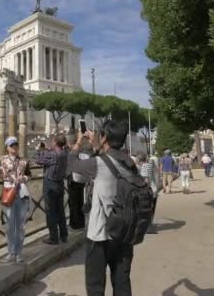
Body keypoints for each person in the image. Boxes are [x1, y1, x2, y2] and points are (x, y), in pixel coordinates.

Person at [68, 120, 137, 296]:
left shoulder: (97, 164)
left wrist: (78, 142)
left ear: (105, 137)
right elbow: (110, 158)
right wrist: (97, 145)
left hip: (100, 234)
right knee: (122, 283)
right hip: (124, 232)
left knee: (95, 285)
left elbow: (71, 166)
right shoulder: (130, 162)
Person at [0, 136, 31, 263]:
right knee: (9, 226)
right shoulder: (1, 160)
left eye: (16, 144)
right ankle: (11, 252)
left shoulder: (24, 161)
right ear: (7, 147)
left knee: (21, 226)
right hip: (8, 195)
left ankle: (19, 253)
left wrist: (24, 179)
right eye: (12, 145)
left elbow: (29, 175)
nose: (15, 147)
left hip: (22, 195)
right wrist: (0, 170)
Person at [35, 134, 69, 245]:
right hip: (60, 184)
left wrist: (39, 150)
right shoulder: (64, 153)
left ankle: (53, 237)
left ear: (55, 142)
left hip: (50, 184)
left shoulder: (52, 155)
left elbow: (38, 160)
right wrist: (48, 149)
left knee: (50, 211)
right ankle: (64, 235)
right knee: (60, 210)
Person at [137, 153, 158, 234]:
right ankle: (150, 225)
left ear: (138, 159)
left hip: (149, 190)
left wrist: (144, 190)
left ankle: (148, 227)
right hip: (153, 189)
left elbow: (146, 180)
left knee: (146, 209)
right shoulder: (149, 165)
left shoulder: (145, 166)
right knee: (151, 209)